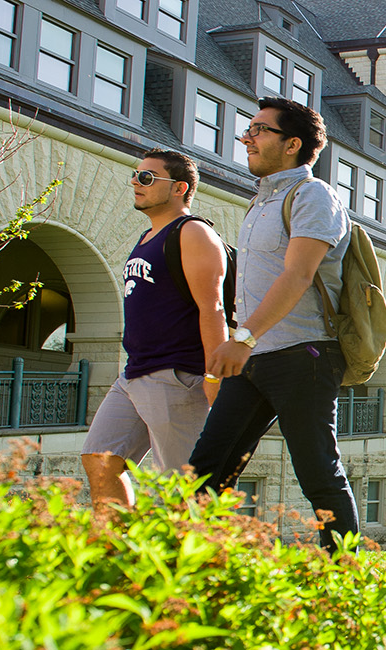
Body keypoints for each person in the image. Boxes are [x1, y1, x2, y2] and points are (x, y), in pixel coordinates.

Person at [187, 97, 358, 553]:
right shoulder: (260, 203)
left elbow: (298, 275)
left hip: (303, 355)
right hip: (256, 356)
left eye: (260, 130)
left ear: (292, 144)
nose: (247, 137)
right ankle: (193, 570)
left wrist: (241, 337)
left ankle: (344, 580)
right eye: (249, 129)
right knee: (207, 466)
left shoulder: (313, 196)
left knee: (317, 471)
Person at [81, 149, 227, 508]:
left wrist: (214, 379)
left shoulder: (193, 233)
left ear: (179, 188)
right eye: (135, 175)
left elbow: (213, 310)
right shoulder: (148, 237)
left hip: (176, 376)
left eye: (147, 177)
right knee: (100, 459)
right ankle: (115, 554)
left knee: (184, 485)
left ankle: (198, 559)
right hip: (134, 374)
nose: (136, 182)